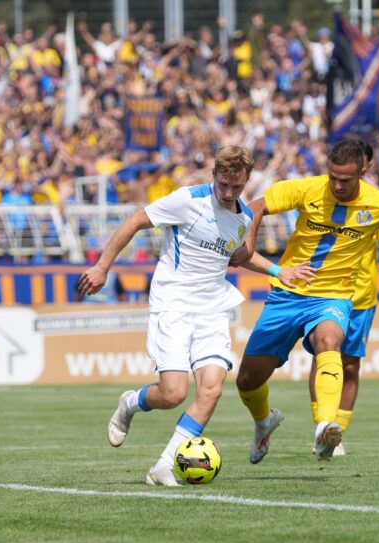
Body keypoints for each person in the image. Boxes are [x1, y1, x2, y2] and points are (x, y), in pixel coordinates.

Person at [77, 145, 313, 487]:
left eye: (236, 187)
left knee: (212, 390)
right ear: (214, 175)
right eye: (223, 184)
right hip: (173, 303)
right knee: (173, 394)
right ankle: (130, 403)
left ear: (246, 181)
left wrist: (279, 270)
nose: (228, 193)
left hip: (213, 308)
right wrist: (102, 267)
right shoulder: (187, 200)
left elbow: (237, 256)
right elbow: (135, 221)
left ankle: (162, 466)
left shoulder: (243, 217)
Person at [237, 139, 379, 463]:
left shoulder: (377, 204)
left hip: (333, 296)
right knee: (247, 380)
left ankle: (327, 427)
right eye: (333, 177)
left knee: (330, 342)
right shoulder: (308, 189)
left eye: (345, 180)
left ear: (362, 173)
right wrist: (250, 245)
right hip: (288, 292)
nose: (337, 185)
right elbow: (257, 206)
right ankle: (264, 422)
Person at [306, 141, 379, 457]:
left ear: (365, 169)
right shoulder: (328, 195)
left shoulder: (376, 205)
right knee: (322, 357)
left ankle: (337, 435)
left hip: (361, 298)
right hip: (327, 291)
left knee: (350, 366)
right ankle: (323, 424)